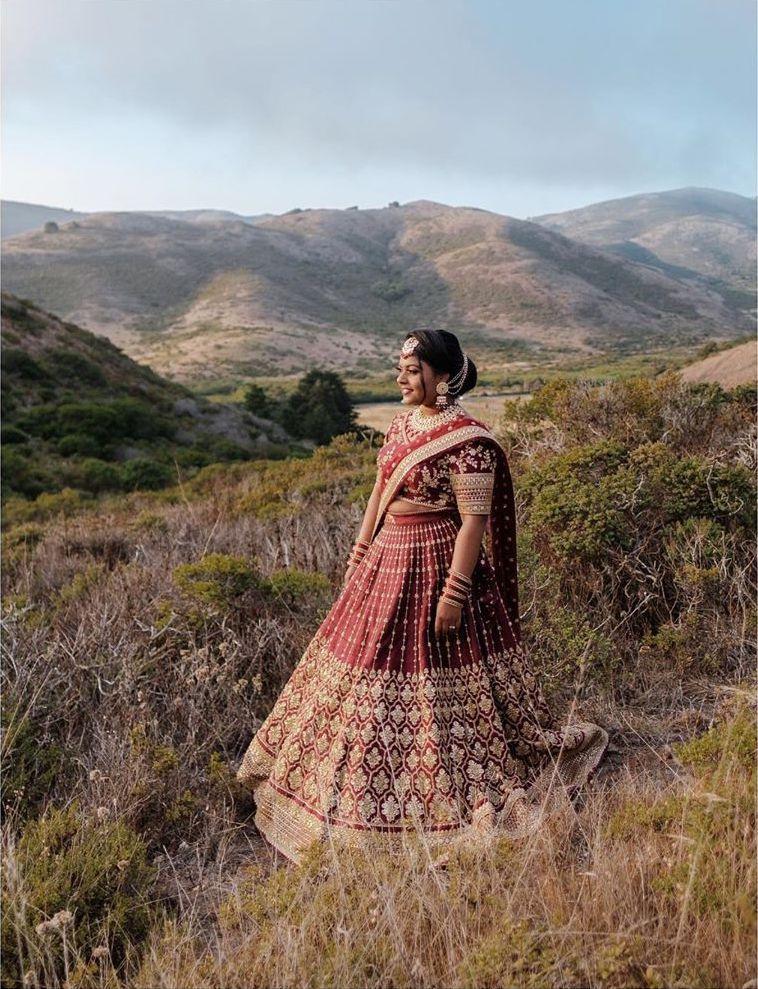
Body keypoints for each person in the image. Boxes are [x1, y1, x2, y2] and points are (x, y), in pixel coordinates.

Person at [236, 329, 609, 864]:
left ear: (443, 375)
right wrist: (360, 550)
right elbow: (379, 490)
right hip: (386, 557)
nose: (401, 378)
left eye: (412, 370)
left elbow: (474, 521)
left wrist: (454, 592)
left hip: (434, 561)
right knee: (361, 662)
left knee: (432, 668)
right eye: (401, 369)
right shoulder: (403, 424)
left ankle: (433, 787)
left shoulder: (469, 441)